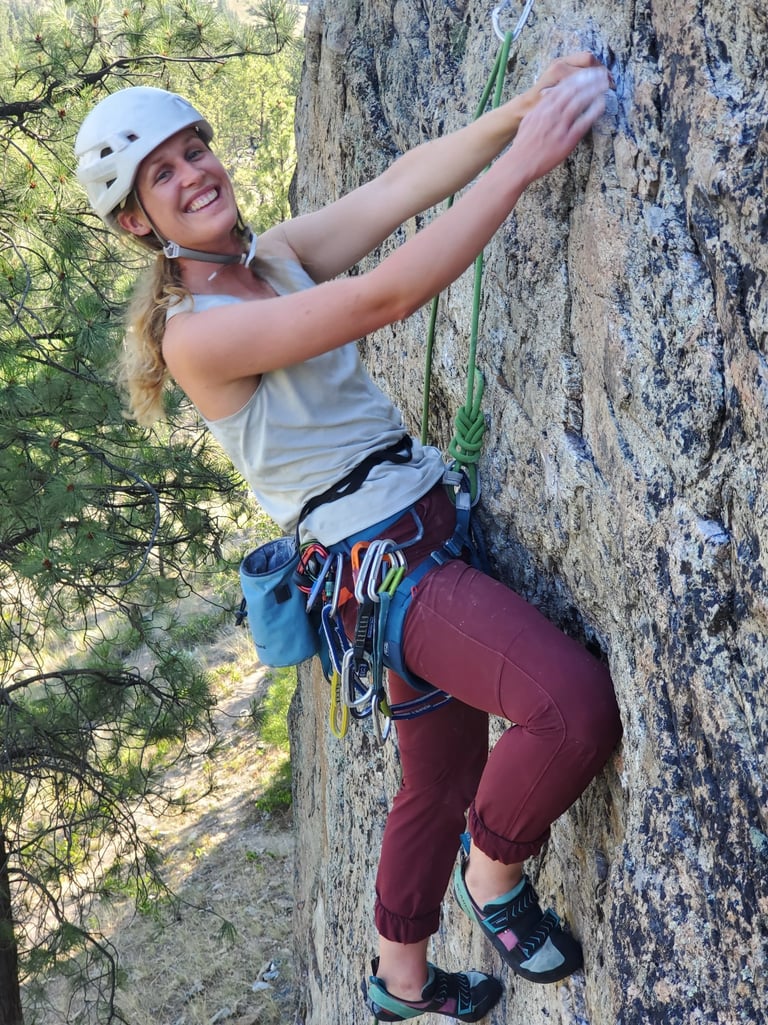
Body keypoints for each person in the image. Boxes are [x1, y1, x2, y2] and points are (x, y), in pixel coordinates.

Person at [75, 52, 622, 1023]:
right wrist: (522, 164)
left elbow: (399, 186)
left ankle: (398, 983)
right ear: (135, 222)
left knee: (443, 774)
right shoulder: (193, 334)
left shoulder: (272, 258)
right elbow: (381, 299)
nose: (195, 171)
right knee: (571, 707)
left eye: (195, 147)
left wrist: (517, 113)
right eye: (162, 174)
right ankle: (493, 878)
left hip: (411, 538)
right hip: (388, 573)